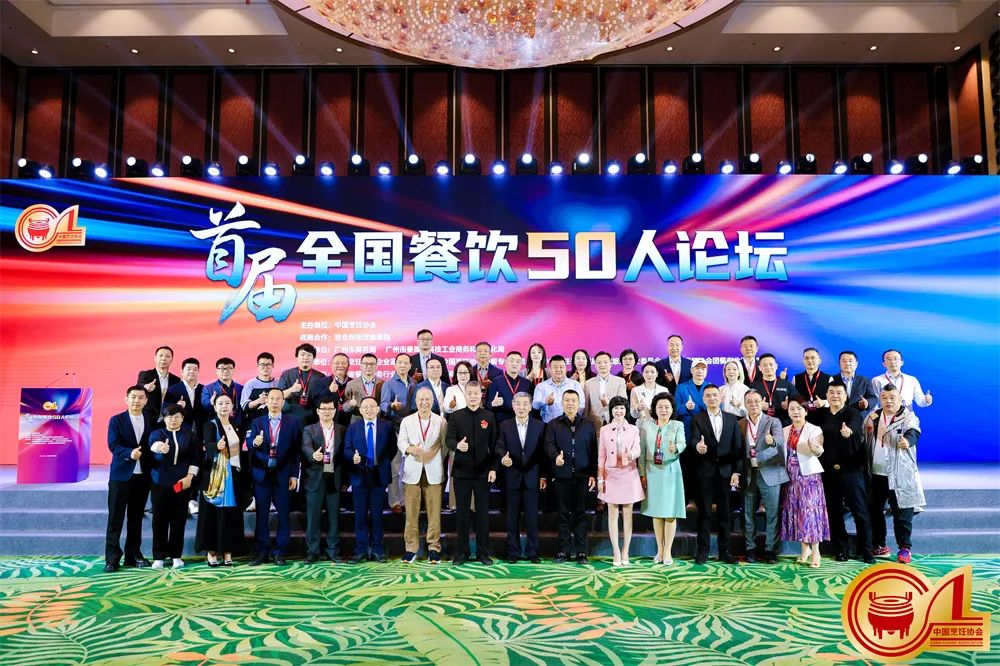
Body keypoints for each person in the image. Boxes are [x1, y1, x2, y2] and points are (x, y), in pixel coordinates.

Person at [811, 380, 874, 564]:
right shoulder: (820, 415)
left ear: (845, 396)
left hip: (851, 470)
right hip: (828, 471)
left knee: (860, 511)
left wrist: (849, 432)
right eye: (831, 392)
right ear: (826, 395)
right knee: (834, 512)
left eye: (839, 393)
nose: (835, 396)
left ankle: (866, 550)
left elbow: (855, 426)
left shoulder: (853, 413)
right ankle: (841, 550)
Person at [865, 383, 925, 564]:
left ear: (901, 399)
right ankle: (880, 544)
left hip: (900, 474)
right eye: (884, 398)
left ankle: (904, 548)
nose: (888, 401)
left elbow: (914, 432)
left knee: (902, 513)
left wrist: (907, 441)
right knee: (875, 511)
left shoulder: (909, 417)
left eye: (892, 398)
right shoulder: (873, 416)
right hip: (876, 473)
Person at [688, 384, 743, 565]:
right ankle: (703, 551)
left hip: (726, 473)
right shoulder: (697, 418)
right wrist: (698, 446)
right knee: (704, 513)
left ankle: (725, 551)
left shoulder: (731, 419)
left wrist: (736, 471)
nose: (712, 398)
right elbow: (694, 439)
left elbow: (737, 447)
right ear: (703, 399)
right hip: (705, 472)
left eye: (714, 395)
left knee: (725, 514)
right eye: (708, 396)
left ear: (720, 397)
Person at [246, 388, 302, 566]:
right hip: (261, 475)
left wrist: (294, 475)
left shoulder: (293, 422)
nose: (275, 402)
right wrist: (255, 442)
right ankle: (261, 552)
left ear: (283, 402)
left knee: (283, 515)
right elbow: (249, 443)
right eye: (271, 399)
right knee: (261, 515)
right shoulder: (257, 422)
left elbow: (296, 452)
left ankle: (280, 552)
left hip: (283, 474)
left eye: (278, 399)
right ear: (267, 401)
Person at [445, 381, 498, 565]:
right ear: (465, 395)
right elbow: (448, 440)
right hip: (462, 473)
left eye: (476, 393)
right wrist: (457, 445)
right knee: (462, 515)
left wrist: (493, 468)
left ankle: (483, 553)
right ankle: (462, 552)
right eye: (470, 393)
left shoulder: (489, 416)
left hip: (483, 473)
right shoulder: (456, 416)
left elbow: (495, 446)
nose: (473, 396)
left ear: (481, 395)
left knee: (482, 515)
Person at [104, 385, 154, 572]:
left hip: (143, 477)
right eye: (133, 397)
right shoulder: (116, 420)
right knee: (115, 519)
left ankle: (133, 555)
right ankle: (112, 558)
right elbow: (113, 444)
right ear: (126, 399)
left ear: (146, 401)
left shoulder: (151, 419)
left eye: (141, 397)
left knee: (136, 518)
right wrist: (129, 453)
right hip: (121, 476)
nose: (137, 401)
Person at [545, 390, 597, 564]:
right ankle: (563, 551)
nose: (570, 403)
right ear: (562, 403)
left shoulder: (588, 425)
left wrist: (592, 474)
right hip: (561, 476)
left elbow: (593, 451)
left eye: (573, 400)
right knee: (562, 515)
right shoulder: (553, 424)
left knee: (581, 514)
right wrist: (555, 457)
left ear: (579, 403)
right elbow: (549, 445)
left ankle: (581, 552)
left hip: (582, 476)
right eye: (567, 400)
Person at [147, 403, 201, 569]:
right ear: (164, 419)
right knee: (159, 520)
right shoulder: (157, 433)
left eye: (177, 417)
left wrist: (190, 477)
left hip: (181, 483)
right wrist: (160, 448)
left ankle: (176, 555)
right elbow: (153, 445)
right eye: (170, 417)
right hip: (160, 482)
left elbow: (195, 457)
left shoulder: (190, 435)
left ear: (182, 418)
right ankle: (159, 556)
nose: (173, 420)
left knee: (179, 519)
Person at [397, 387, 446, 564]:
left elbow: (445, 445)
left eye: (427, 399)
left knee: (434, 514)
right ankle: (411, 549)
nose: (424, 403)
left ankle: (434, 548)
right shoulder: (407, 421)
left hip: (434, 472)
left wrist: (435, 457)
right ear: (415, 401)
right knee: (411, 514)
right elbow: (401, 441)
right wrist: (410, 449)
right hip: (412, 471)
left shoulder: (441, 421)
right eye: (421, 400)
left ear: (432, 401)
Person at [495, 392, 546, 564]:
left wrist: (543, 476)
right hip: (512, 476)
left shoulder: (540, 426)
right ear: (513, 405)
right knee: (512, 517)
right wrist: (503, 458)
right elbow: (499, 446)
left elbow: (543, 454)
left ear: (530, 407)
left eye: (525, 404)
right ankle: (513, 552)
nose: (521, 407)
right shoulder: (504, 425)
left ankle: (533, 551)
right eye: (518, 404)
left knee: (532, 517)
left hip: (532, 476)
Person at [344, 397, 395, 563]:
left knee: (377, 515)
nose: (368, 409)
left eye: (372, 406)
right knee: (360, 515)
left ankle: (377, 550)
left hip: (379, 476)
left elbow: (392, 449)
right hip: (359, 475)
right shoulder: (353, 427)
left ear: (378, 409)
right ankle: (360, 550)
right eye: (365, 407)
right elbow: (347, 449)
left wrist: (382, 463)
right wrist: (353, 458)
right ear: (360, 410)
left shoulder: (387, 426)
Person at [779, 397, 829, 568]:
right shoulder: (784, 430)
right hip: (790, 478)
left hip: (809, 478)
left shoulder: (814, 429)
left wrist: (815, 449)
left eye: (799, 408)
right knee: (798, 512)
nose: (796, 412)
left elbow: (819, 448)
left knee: (811, 513)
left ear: (806, 411)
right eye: (792, 409)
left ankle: (816, 551)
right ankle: (804, 549)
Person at [196, 393, 244, 567]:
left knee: (230, 515)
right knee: (212, 514)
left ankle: (228, 551)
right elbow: (207, 444)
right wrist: (216, 446)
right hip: (215, 476)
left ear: (232, 406)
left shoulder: (235, 425)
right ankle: (211, 552)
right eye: (220, 403)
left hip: (233, 475)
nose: (224, 406)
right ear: (215, 407)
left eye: (227, 403)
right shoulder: (210, 424)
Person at [738, 389, 786, 564]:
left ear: (762, 402)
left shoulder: (773, 421)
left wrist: (772, 440)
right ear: (745, 404)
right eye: (749, 402)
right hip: (748, 474)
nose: (753, 405)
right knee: (748, 513)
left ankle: (770, 549)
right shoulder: (740, 424)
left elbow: (780, 439)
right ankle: (750, 548)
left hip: (770, 472)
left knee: (772, 513)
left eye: (756, 401)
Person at [638, 394, 686, 565]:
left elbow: (683, 443)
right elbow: (642, 452)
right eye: (660, 407)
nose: (663, 410)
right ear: (654, 409)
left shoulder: (677, 425)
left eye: (667, 407)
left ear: (672, 409)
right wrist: (642, 474)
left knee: (670, 512)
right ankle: (659, 550)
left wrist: (676, 448)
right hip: (652, 471)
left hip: (671, 470)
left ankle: (667, 551)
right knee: (657, 512)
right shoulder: (646, 426)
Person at [597, 397, 643, 566]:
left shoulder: (633, 429)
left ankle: (626, 551)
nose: (619, 411)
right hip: (611, 474)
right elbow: (601, 457)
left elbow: (637, 448)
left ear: (626, 410)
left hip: (628, 473)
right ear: (611, 411)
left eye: (622, 408)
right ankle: (616, 551)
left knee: (628, 514)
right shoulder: (604, 430)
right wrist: (600, 479)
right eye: (616, 408)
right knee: (612, 513)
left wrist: (632, 454)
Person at [301, 396, 344, 564]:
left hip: (335, 477)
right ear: (318, 411)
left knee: (334, 517)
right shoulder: (309, 429)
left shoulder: (342, 429)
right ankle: (312, 551)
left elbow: (344, 455)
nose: (327, 412)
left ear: (335, 411)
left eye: (330, 409)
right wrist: (313, 455)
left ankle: (333, 551)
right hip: (315, 477)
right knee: (313, 517)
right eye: (323, 409)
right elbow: (306, 446)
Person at [380, 352, 415, 517]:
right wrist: (391, 406)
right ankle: (395, 502)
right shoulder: (388, 384)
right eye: (399, 362)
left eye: (405, 363)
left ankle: (407, 500)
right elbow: (382, 405)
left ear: (410, 366)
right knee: (395, 467)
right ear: (395, 365)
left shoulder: (415, 383)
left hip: (412, 430)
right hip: (395, 428)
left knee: (410, 468)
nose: (402, 365)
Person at [276, 343, 330, 426]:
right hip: (290, 417)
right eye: (302, 354)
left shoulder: (321, 377)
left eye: (309, 355)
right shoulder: (286, 374)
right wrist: (292, 389)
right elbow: (279, 396)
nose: (306, 357)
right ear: (297, 357)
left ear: (313, 358)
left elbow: (324, 399)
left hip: (313, 418)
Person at [532, 356, 585, 423]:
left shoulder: (575, 384)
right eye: (555, 367)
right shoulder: (541, 386)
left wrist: (571, 418)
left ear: (566, 369)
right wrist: (545, 401)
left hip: (571, 424)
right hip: (548, 425)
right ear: (550, 369)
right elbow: (535, 406)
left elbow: (582, 405)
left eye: (561, 367)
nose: (558, 370)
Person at [749, 353, 798, 426]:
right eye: (765, 365)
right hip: (760, 425)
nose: (768, 367)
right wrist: (757, 406)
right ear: (760, 368)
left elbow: (800, 402)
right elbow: (746, 405)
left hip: (784, 425)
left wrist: (790, 404)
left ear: (776, 366)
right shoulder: (753, 386)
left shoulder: (787, 384)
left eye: (771, 364)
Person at [584, 351, 627, 430]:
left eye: (605, 362)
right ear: (595, 365)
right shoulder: (588, 383)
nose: (602, 365)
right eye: (599, 362)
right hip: (594, 424)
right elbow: (587, 407)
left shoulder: (620, 381)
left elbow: (623, 403)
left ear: (610, 364)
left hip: (614, 422)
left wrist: (609, 403)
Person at [486, 351, 532, 423]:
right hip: (502, 422)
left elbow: (531, 405)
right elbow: (488, 405)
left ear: (521, 365)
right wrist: (493, 404)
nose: (515, 364)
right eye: (512, 361)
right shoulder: (496, 381)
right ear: (505, 363)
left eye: (518, 361)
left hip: (522, 421)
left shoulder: (526, 383)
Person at [164, 357, 206, 435]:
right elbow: (165, 409)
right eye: (189, 369)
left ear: (198, 372)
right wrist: (177, 406)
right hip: (181, 428)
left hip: (201, 428)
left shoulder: (204, 389)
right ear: (182, 372)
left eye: (195, 369)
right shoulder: (173, 389)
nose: (192, 371)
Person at [137, 345, 178, 422]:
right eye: (161, 355)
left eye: (167, 356)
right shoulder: (146, 374)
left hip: (167, 420)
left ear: (172, 359)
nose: (164, 358)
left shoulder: (176, 380)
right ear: (155, 358)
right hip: (147, 418)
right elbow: (139, 384)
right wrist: (146, 386)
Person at [201, 357, 243, 428]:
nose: (225, 371)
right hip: (217, 425)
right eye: (222, 368)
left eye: (229, 368)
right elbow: (204, 405)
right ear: (216, 371)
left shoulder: (241, 388)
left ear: (233, 370)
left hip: (238, 425)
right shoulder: (208, 388)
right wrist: (211, 402)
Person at [342, 353, 383, 423]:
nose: (369, 366)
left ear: (376, 367)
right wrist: (350, 405)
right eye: (366, 364)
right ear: (360, 366)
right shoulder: (351, 384)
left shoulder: (383, 384)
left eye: (372, 364)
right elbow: (344, 407)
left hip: (378, 421)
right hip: (357, 422)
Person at [837, 350, 877, 416]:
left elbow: (873, 398)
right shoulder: (832, 379)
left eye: (850, 361)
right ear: (839, 363)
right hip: (837, 416)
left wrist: (867, 403)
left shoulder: (865, 381)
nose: (847, 363)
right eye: (844, 361)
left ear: (856, 364)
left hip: (858, 417)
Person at [241, 352, 277, 424]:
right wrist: (259, 401)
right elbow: (244, 406)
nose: (265, 367)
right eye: (262, 364)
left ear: (273, 366)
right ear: (257, 366)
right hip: (255, 422)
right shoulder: (250, 384)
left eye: (268, 364)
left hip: (275, 422)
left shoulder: (278, 383)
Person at [793, 348, 832, 413]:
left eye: (813, 358)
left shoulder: (829, 379)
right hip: (802, 416)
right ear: (803, 361)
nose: (810, 361)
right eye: (806, 358)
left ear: (819, 361)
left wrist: (824, 403)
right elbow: (793, 399)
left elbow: (834, 400)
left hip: (823, 415)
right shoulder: (796, 378)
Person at [675, 360, 709, 436]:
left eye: (703, 369)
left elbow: (717, 408)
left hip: (706, 426)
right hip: (687, 426)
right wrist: (685, 407)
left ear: (706, 371)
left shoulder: (711, 387)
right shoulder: (681, 387)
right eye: (697, 368)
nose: (700, 371)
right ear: (691, 370)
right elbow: (675, 409)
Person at [630, 362, 668, 427]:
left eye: (652, 372)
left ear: (657, 374)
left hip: (660, 425)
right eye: (646, 372)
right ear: (642, 374)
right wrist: (638, 408)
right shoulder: (635, 390)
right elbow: (633, 414)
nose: (649, 374)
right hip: (642, 426)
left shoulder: (664, 390)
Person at [328, 352, 352, 428]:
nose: (340, 366)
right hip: (329, 424)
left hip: (350, 424)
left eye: (344, 363)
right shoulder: (321, 382)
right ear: (332, 365)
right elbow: (317, 403)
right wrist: (329, 392)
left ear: (348, 365)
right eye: (337, 363)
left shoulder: (354, 383)